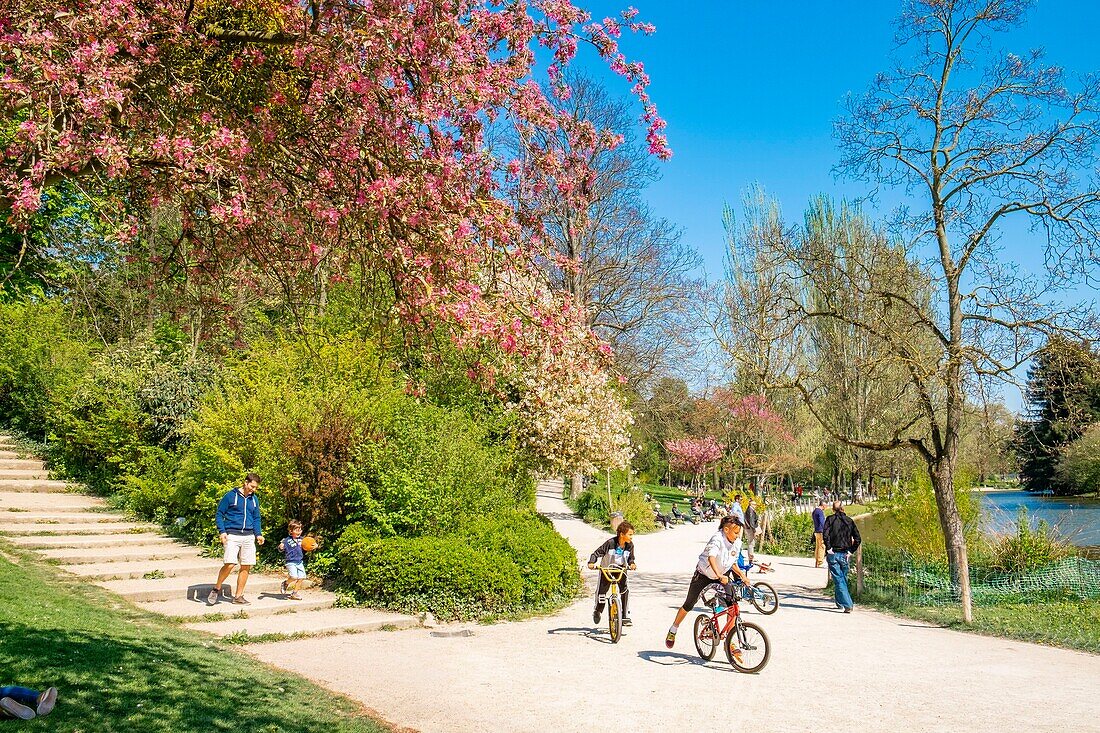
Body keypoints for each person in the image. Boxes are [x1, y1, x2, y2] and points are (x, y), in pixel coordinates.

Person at [664, 516, 751, 649]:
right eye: (735, 532)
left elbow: (732, 563)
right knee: (689, 604)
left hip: (722, 574)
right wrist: (718, 575)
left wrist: (742, 576)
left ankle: (730, 641)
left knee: (733, 605)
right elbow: (711, 558)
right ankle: (673, 629)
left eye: (739, 532)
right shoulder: (717, 539)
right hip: (704, 574)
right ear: (726, 529)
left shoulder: (737, 543)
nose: (738, 535)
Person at [207, 473, 265, 606]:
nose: (253, 490)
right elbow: (219, 514)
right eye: (252, 486)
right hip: (232, 534)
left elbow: (256, 518)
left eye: (255, 488)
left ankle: (238, 596)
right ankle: (217, 588)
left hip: (249, 536)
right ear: (245, 482)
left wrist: (258, 534)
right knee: (230, 564)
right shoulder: (230, 496)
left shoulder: (254, 499)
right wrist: (222, 531)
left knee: (246, 566)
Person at [587, 521, 637, 626]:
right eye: (630, 534)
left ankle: (624, 616)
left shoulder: (630, 545)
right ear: (622, 534)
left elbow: (631, 559)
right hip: (607, 570)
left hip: (621, 570)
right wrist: (591, 562)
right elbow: (596, 553)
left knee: (625, 590)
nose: (632, 537)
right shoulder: (610, 543)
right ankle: (598, 610)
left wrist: (632, 564)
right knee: (601, 593)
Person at [822, 501, 861, 613]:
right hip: (844, 554)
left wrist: (829, 548)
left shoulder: (830, 519)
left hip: (833, 553)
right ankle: (840, 602)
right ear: (843, 508)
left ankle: (848, 604)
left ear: (833, 509)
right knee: (841, 579)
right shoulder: (849, 521)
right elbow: (858, 539)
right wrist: (851, 551)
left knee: (839, 580)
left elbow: (825, 535)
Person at [279, 519, 307, 600]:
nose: (299, 532)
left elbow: (309, 545)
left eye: (300, 530)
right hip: (290, 562)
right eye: (296, 530)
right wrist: (281, 547)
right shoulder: (286, 540)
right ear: (291, 531)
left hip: (299, 561)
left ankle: (294, 593)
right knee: (294, 577)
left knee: (301, 577)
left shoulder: (302, 540)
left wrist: (314, 546)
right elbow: (280, 548)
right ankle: (285, 583)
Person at [812, 499, 827, 568]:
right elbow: (822, 522)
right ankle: (820, 562)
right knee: (822, 546)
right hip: (821, 531)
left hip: (816, 531)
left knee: (818, 547)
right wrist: (826, 529)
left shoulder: (815, 511)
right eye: (825, 506)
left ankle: (817, 562)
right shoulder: (820, 512)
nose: (826, 507)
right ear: (823, 505)